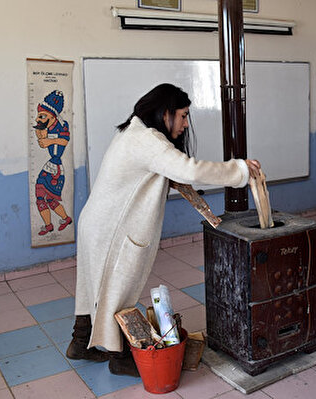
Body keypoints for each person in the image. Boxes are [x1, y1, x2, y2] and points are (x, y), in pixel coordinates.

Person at [67, 83, 261, 376]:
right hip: (112, 230)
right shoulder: (148, 141)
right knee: (117, 292)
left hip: (97, 223)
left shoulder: (132, 132)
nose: (185, 124)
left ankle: (80, 343)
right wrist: (241, 170)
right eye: (182, 116)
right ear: (165, 112)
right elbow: (191, 169)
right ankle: (121, 358)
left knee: (92, 286)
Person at [34, 90, 73, 236]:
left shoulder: (62, 126)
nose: (39, 119)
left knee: (45, 197)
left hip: (55, 167)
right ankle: (59, 221)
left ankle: (56, 222)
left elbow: (64, 140)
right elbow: (41, 143)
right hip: (51, 165)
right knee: (44, 197)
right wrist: (41, 134)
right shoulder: (47, 127)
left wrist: (49, 140)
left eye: (42, 116)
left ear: (53, 115)